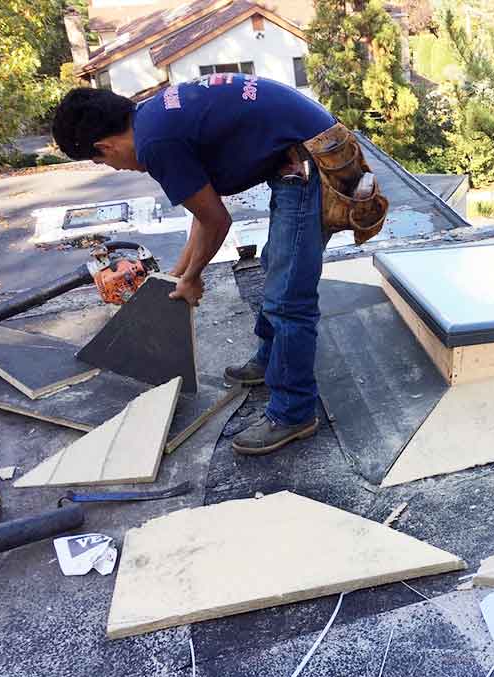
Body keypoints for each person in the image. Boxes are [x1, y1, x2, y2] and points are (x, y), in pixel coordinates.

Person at [52, 75, 385, 456]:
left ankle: (293, 413)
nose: (115, 169)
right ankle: (270, 359)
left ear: (104, 146)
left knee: (289, 296)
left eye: (102, 162)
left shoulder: (156, 143)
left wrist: (192, 278)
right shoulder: (152, 117)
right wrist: (177, 274)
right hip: (297, 152)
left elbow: (216, 221)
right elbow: (202, 207)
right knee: (279, 265)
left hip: (311, 159)